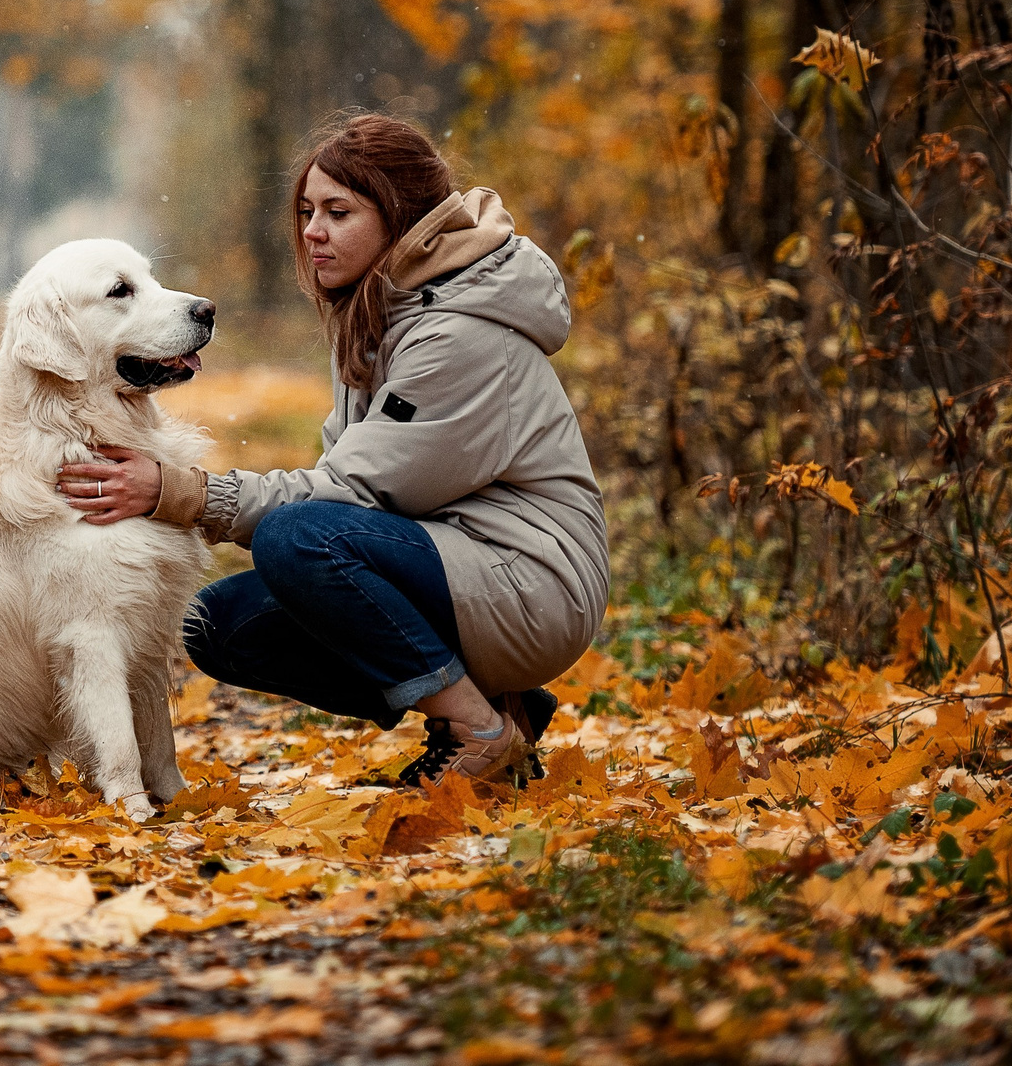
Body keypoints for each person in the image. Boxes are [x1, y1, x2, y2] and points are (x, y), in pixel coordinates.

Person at [55, 110, 607, 787]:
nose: (313, 230)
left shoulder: (457, 335)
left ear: (400, 215)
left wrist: (181, 491)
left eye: (339, 211)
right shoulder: (383, 311)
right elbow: (358, 486)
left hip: (532, 583)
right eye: (309, 210)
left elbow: (350, 493)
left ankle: (478, 733)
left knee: (297, 538)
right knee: (220, 625)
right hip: (464, 565)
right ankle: (502, 709)